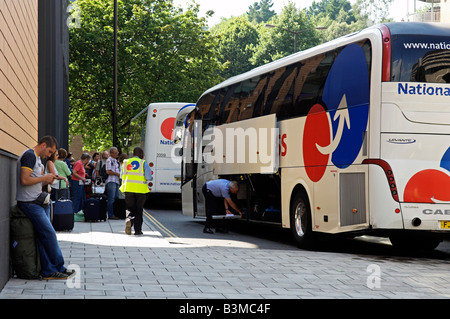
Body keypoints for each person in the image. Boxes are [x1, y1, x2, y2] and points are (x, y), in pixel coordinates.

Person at [16, 136, 75, 280]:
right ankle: (58, 267)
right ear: (43, 145)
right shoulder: (30, 156)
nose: (49, 155)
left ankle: (49, 270)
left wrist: (46, 178)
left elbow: (32, 180)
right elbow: (24, 180)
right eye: (50, 151)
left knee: (44, 236)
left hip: (36, 201)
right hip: (29, 203)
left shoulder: (35, 158)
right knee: (49, 234)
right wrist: (44, 178)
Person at [120, 147, 152, 235]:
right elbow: (148, 177)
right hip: (141, 190)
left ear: (133, 153)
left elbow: (121, 176)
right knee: (139, 209)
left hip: (128, 188)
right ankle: (137, 230)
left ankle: (129, 221)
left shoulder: (126, 162)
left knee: (130, 208)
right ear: (141, 154)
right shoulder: (143, 163)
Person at [105, 147, 121, 220]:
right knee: (111, 199)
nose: (117, 154)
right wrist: (118, 174)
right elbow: (108, 171)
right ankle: (110, 214)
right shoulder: (109, 160)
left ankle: (116, 213)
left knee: (116, 198)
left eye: (117, 152)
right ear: (111, 153)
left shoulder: (115, 161)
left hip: (116, 181)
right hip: (111, 181)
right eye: (115, 153)